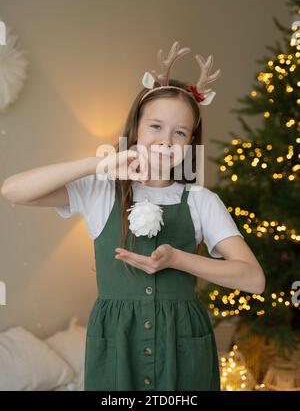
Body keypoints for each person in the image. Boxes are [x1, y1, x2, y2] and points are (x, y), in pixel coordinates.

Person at [1, 41, 265, 391]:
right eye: (155, 126)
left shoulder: (202, 201)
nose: (166, 140)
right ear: (135, 129)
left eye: (180, 132)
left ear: (190, 144)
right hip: (116, 347)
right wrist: (100, 163)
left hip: (183, 349)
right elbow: (12, 190)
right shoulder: (100, 190)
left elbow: (252, 279)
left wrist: (178, 259)